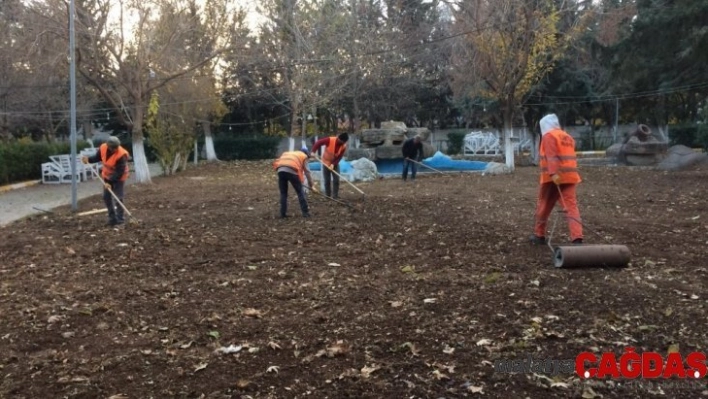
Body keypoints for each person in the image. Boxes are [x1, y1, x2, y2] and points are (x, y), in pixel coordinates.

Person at [530, 113, 584, 245]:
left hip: (554, 177)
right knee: (571, 206)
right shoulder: (567, 136)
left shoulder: (549, 136)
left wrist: (553, 173)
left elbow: (552, 156)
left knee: (544, 205)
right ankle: (577, 237)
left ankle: (539, 235)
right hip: (570, 176)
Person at [82, 136, 130, 226]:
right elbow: (97, 157)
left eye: (116, 147)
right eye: (113, 148)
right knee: (106, 197)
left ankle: (120, 220)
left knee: (118, 197)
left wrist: (110, 182)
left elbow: (119, 172)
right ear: (109, 146)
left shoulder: (121, 155)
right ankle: (112, 219)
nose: (115, 149)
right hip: (107, 176)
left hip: (119, 177)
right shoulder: (103, 147)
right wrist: (88, 159)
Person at [273, 147, 314, 218]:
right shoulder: (304, 156)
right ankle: (305, 213)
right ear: (307, 154)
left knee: (283, 193)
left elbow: (278, 162)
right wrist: (311, 185)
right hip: (292, 170)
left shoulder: (287, 153)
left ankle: (282, 213)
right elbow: (307, 172)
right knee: (300, 192)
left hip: (280, 170)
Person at [311, 132, 349, 199]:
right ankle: (327, 196)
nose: (341, 143)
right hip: (325, 162)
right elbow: (318, 143)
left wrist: (333, 164)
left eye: (343, 142)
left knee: (336, 180)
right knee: (327, 180)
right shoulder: (330, 140)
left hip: (335, 163)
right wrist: (313, 151)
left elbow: (339, 157)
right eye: (341, 141)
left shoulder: (343, 146)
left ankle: (335, 196)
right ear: (338, 138)